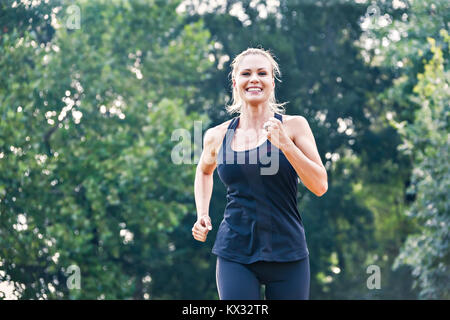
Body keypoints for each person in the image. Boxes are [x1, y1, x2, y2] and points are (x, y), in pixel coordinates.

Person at [192, 47, 328, 300]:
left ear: (272, 83)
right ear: (235, 83)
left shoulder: (295, 126)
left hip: (288, 252)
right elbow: (203, 171)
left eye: (262, 73)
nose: (254, 78)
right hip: (235, 251)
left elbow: (320, 185)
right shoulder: (217, 135)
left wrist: (285, 144)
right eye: (246, 73)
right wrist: (202, 213)